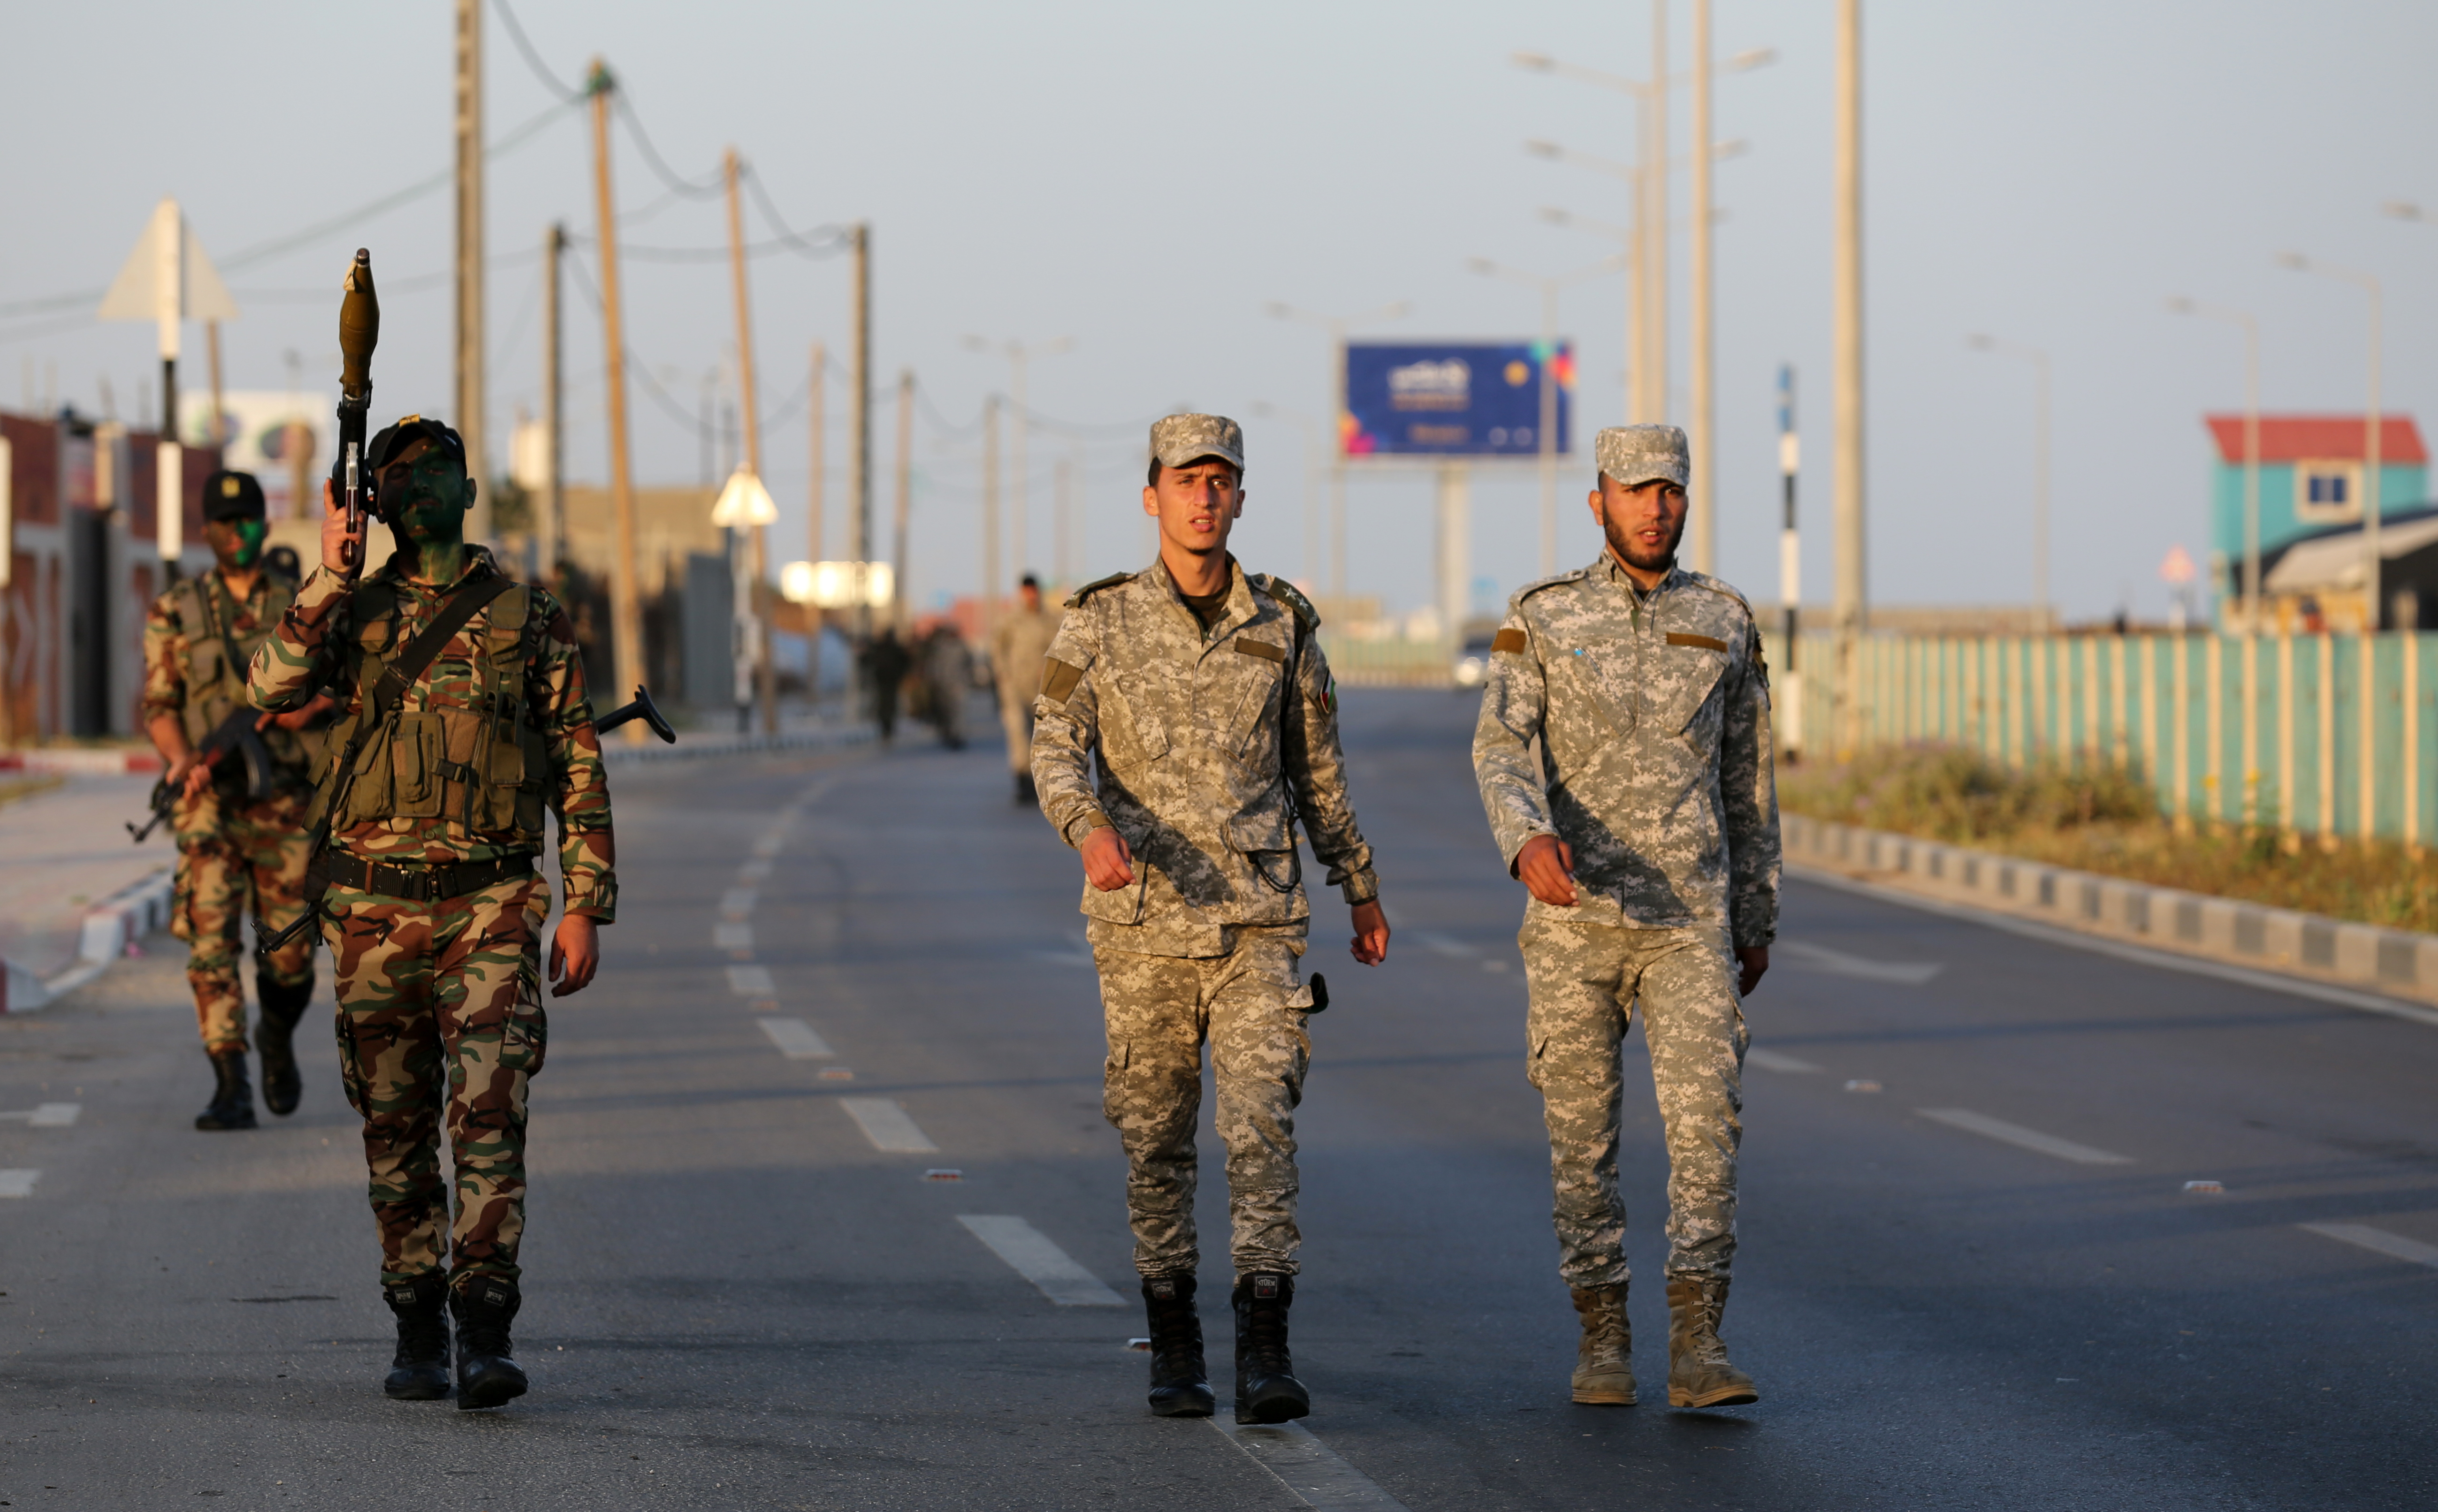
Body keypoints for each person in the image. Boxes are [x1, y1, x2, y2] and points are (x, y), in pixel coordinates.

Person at [249, 415, 615, 1411]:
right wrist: (326, 573)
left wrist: (585, 905)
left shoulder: (529, 616)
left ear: (467, 486)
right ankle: (416, 1317)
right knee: (396, 1126)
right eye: (395, 476)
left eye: (435, 471)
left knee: (491, 1117)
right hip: (372, 914)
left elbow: (578, 763)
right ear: (375, 500)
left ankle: (484, 1327)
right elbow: (268, 686)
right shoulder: (351, 614)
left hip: (492, 905)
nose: (418, 488)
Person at [1031, 414, 1390, 1425]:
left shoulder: (1281, 622)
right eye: (1186, 480)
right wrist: (1087, 828)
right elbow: (1054, 744)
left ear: (1239, 498)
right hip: (1142, 923)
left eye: (1221, 481)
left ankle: (1265, 1344)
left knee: (1262, 1127)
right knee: (1154, 1139)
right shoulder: (1099, 623)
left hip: (1260, 922)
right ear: (1153, 496)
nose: (1204, 497)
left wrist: (1357, 884)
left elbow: (1317, 769)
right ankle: (1175, 1338)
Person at [1471, 424, 1779, 1412]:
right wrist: (1525, 839)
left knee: (1707, 1134)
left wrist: (1757, 911)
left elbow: (1750, 779)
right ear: (1598, 498)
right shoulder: (1542, 615)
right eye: (1635, 489)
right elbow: (1502, 745)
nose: (1655, 507)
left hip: (1689, 919)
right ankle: (1603, 1337)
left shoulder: (1724, 617)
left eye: (1671, 492)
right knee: (1583, 1142)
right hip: (1574, 923)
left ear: (1687, 501)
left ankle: (1700, 1339)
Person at [139, 470, 328, 1131]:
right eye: (224, 522)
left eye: (247, 519)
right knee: (209, 940)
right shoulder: (175, 610)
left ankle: (275, 1034)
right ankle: (231, 1081)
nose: (237, 531)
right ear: (206, 531)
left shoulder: (301, 604)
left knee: (292, 953)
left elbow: (339, 686)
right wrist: (181, 758)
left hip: (284, 800)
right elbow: (160, 706)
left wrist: (309, 707)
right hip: (210, 799)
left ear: (265, 525)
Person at [990, 574, 1059, 804]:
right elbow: (998, 648)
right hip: (1015, 687)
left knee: (1039, 738)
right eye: (1027, 591)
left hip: (1042, 688)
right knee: (1018, 734)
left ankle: (1038, 782)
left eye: (1034, 591)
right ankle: (1022, 779)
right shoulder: (1011, 620)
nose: (1031, 596)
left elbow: (1061, 649)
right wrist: (1003, 675)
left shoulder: (1050, 620)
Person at [922, 622, 972, 749]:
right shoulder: (940, 647)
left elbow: (969, 664)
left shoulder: (961, 647)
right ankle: (949, 734)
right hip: (943, 685)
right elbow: (934, 666)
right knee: (947, 712)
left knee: (958, 713)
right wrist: (935, 681)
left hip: (958, 684)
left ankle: (957, 736)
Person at [859, 627, 912, 743]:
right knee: (886, 706)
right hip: (885, 681)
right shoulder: (887, 648)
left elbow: (866, 661)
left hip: (888, 681)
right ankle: (886, 730)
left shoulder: (886, 648)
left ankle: (887, 730)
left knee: (886, 706)